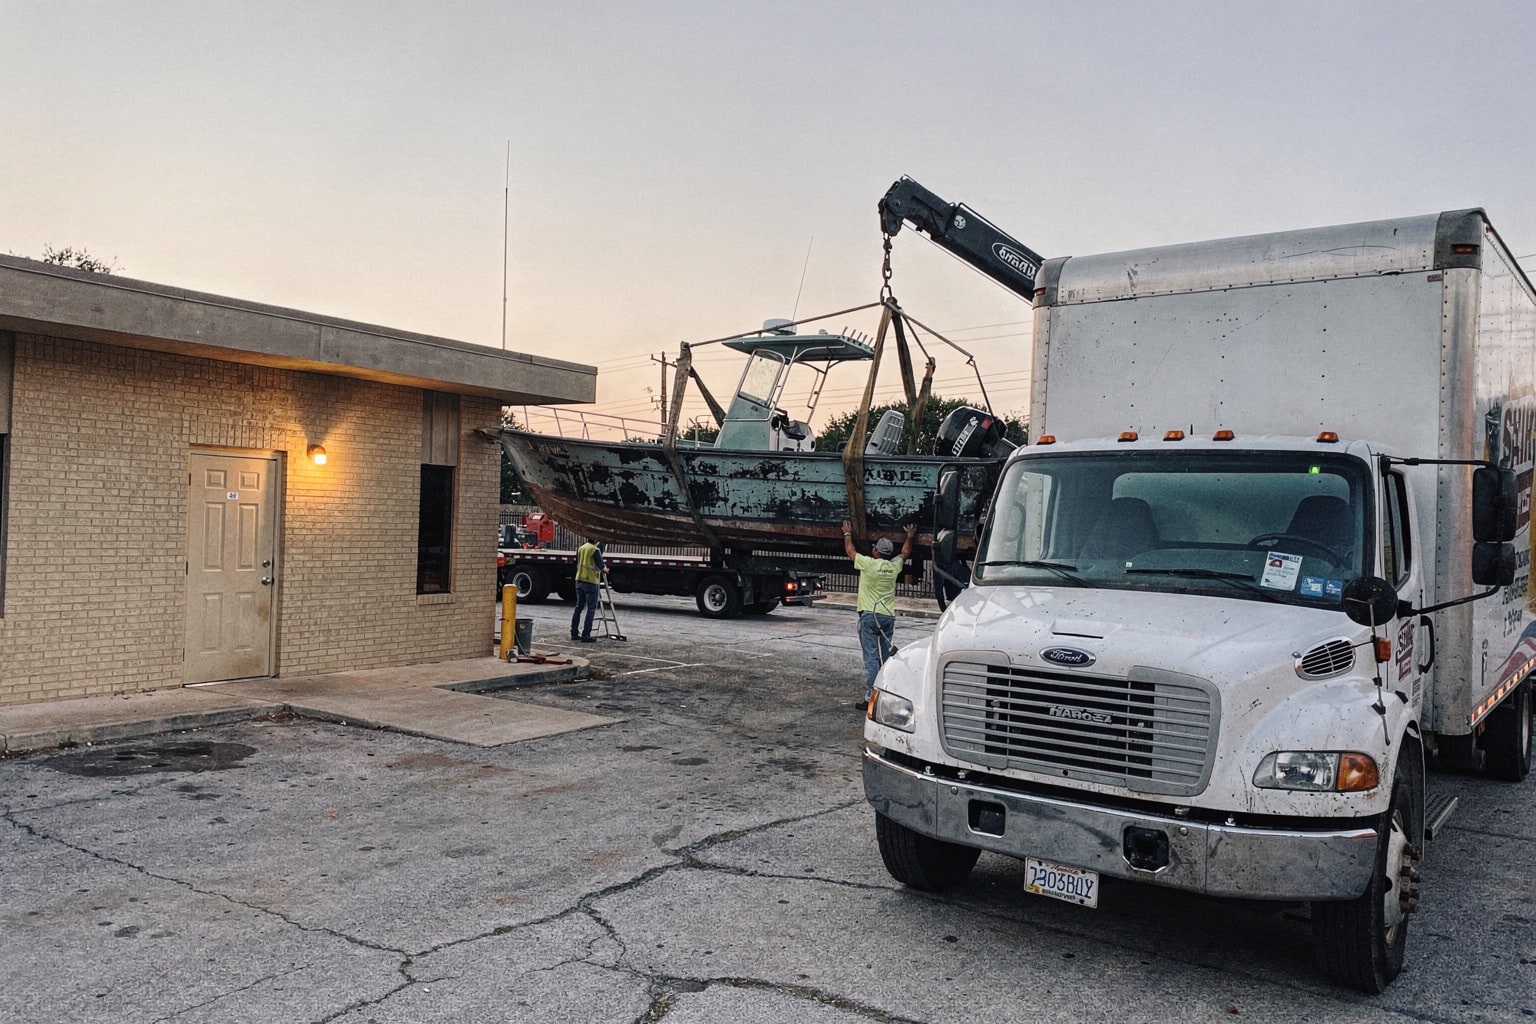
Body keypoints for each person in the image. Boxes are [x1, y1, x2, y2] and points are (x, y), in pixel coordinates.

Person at [842, 519, 916, 706]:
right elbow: (906, 552)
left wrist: (847, 534)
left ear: (876, 551)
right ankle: (888, 694)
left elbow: (850, 552)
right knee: (887, 658)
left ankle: (871, 699)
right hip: (887, 617)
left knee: (872, 659)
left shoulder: (869, 564)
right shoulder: (893, 567)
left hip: (869, 616)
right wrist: (910, 536)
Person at [570, 539, 605, 643]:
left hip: (579, 580)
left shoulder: (581, 548)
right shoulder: (595, 550)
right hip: (590, 581)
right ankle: (586, 635)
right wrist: (606, 570)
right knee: (591, 609)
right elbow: (601, 566)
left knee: (578, 607)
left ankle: (574, 633)